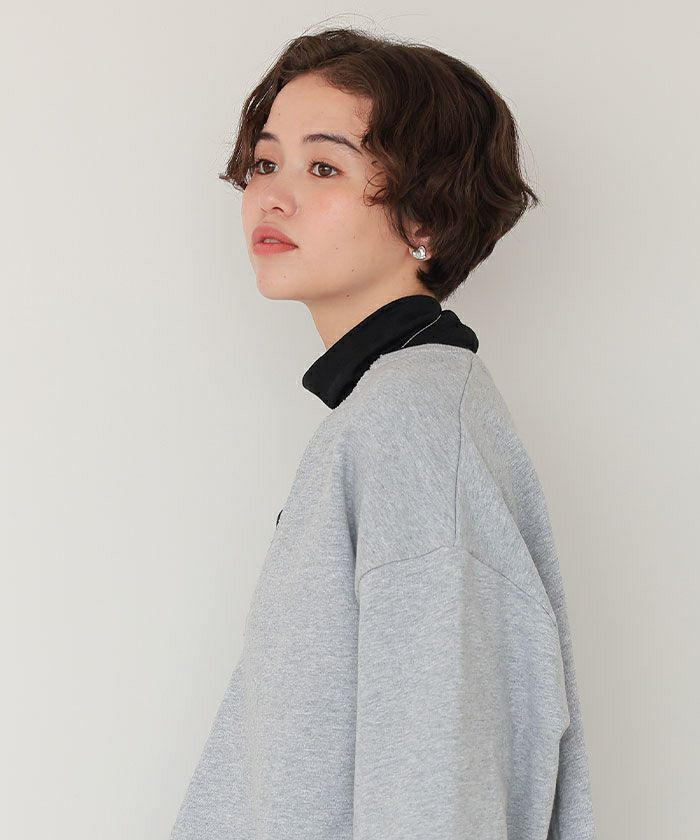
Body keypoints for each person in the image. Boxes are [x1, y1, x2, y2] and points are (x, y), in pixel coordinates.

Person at [170, 25, 597, 840]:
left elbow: (438, 786)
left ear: (424, 215)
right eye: (265, 162)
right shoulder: (394, 410)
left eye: (324, 167)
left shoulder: (413, 426)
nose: (272, 196)